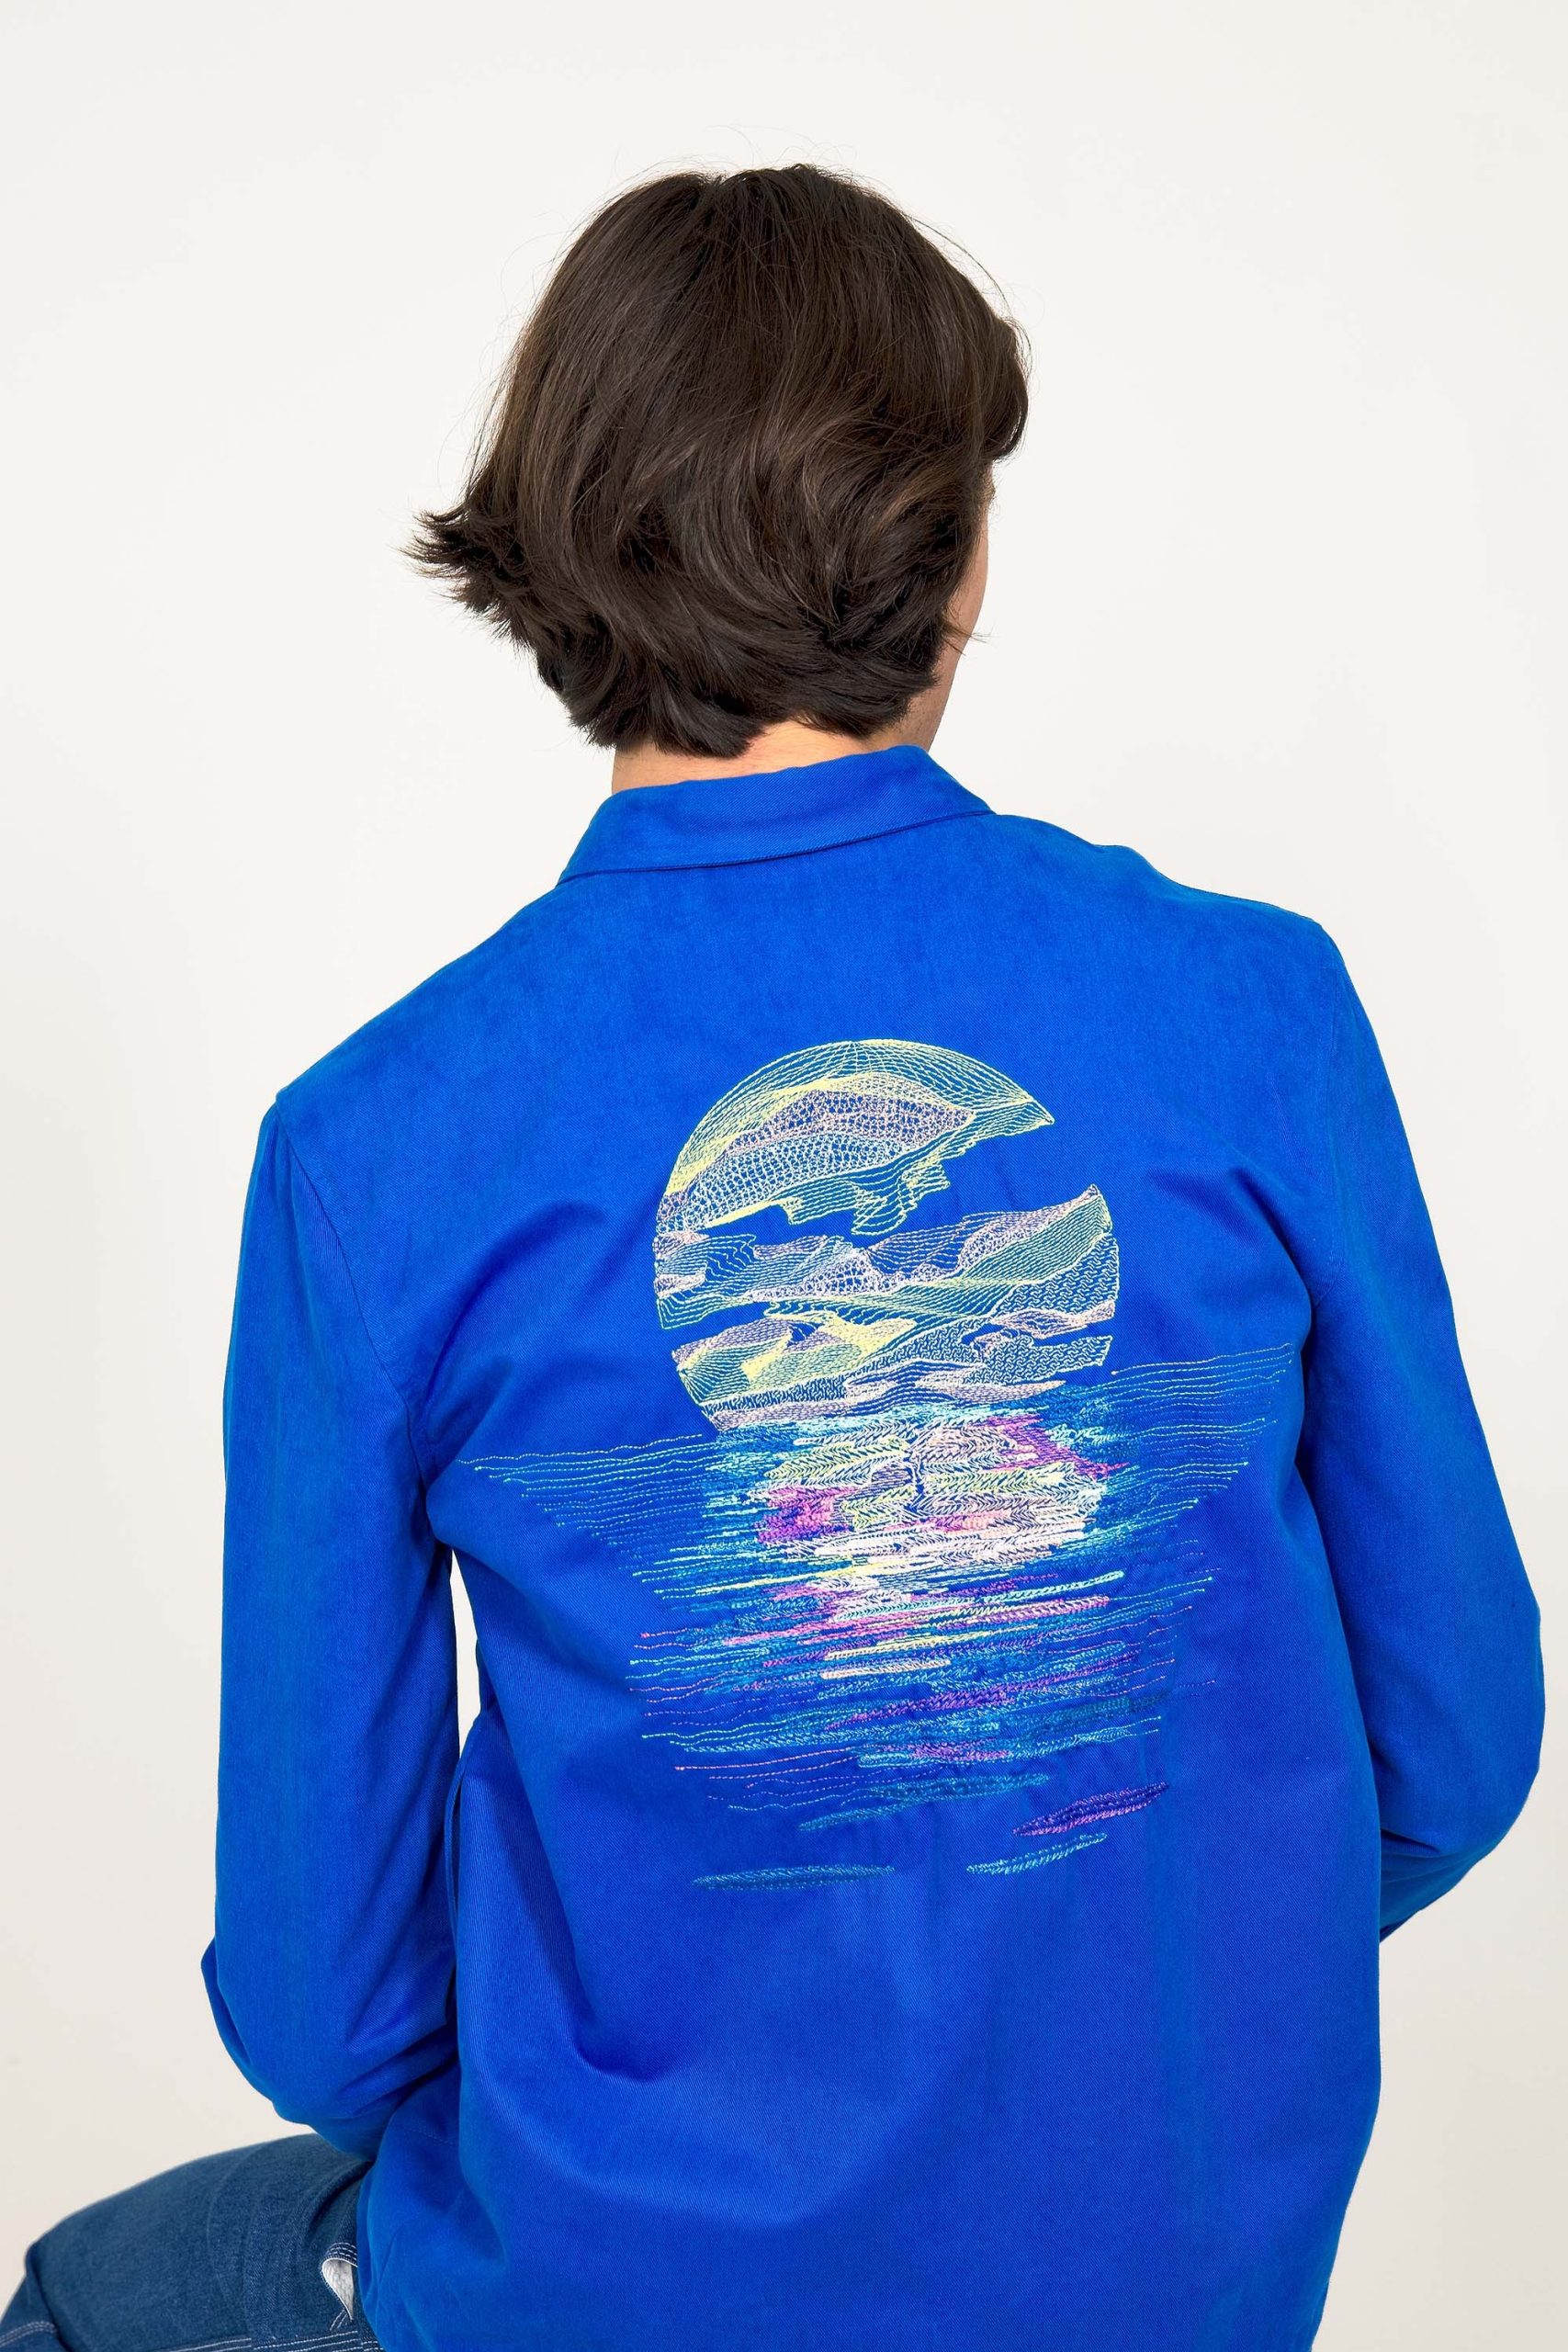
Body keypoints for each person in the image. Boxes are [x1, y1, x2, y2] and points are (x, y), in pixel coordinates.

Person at [6, 164, 1541, 2352]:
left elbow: (324, 2003)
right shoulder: (1249, 1010)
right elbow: (1451, 1741)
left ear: (553, 558)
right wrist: (1131, 1997)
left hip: (617, 2290)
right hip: (1180, 2280)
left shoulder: (379, 1144)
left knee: (87, 2297)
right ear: (960, 552)